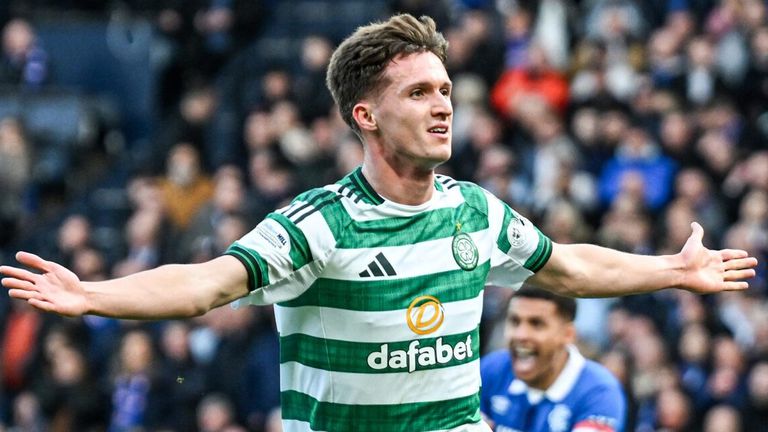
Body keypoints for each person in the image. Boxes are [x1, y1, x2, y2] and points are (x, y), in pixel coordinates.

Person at [0, 14, 758, 432]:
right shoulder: (317, 225)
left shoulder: (474, 210)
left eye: (447, 90)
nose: (444, 105)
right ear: (366, 115)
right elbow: (205, 284)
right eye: (421, 92)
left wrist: (672, 270)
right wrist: (94, 294)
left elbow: (567, 267)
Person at [480, 286, 626, 432]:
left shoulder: (599, 392)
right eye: (514, 321)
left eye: (536, 324)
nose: (520, 335)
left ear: (568, 334)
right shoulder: (492, 369)